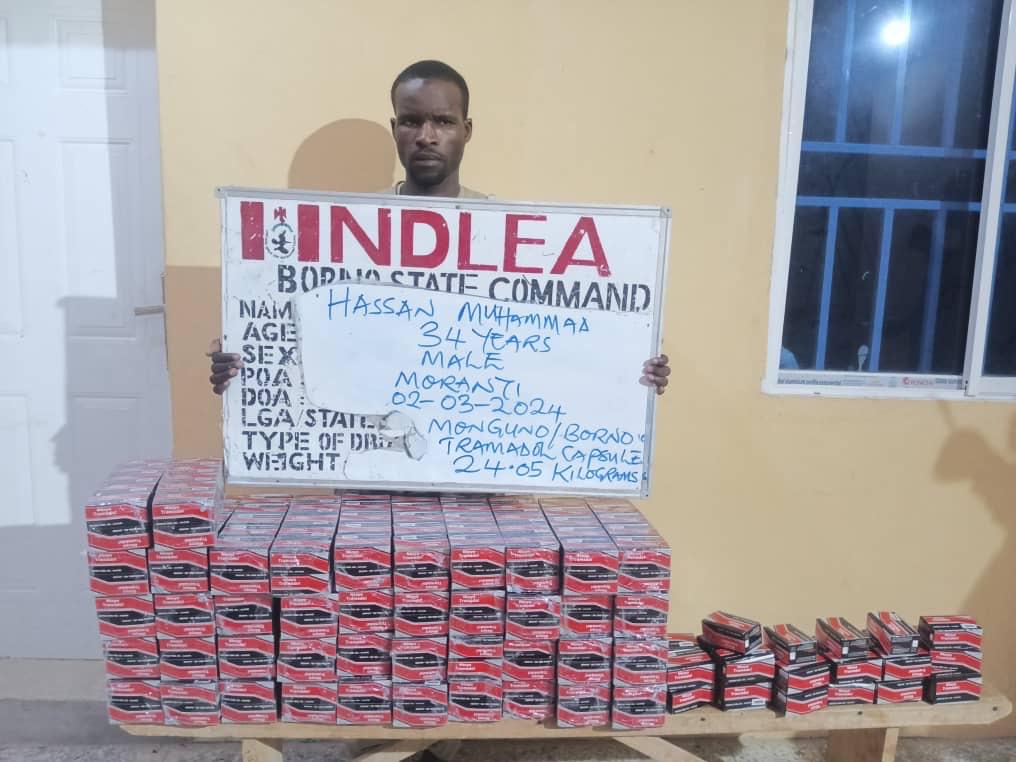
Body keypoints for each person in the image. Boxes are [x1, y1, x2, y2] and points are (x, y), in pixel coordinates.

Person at [208, 60, 671, 395]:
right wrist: (248, 366)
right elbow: (303, 329)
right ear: (395, 128)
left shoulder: (508, 232)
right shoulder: (346, 231)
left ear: (467, 130)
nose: (426, 136)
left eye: (443, 122)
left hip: (480, 465)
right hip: (370, 457)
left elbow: (554, 341)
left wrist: (627, 370)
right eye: (412, 121)